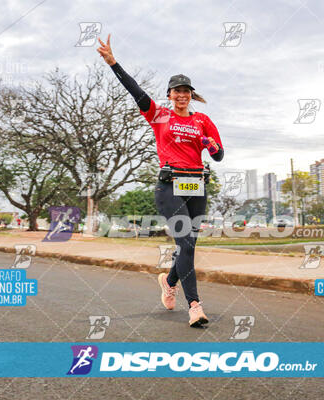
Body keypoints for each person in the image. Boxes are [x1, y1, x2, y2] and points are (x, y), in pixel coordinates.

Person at [97, 34, 224, 327]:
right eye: (176, 91)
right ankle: (195, 305)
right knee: (187, 243)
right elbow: (135, 91)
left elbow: (218, 156)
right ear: (169, 94)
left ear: (191, 94)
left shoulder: (202, 120)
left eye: (186, 91)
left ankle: (168, 282)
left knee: (187, 245)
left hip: (196, 185)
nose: (181, 95)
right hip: (169, 185)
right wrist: (113, 63)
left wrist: (210, 144)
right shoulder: (160, 115)